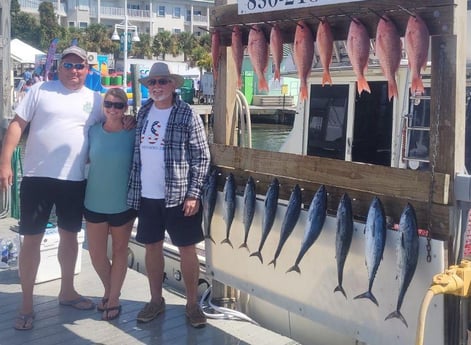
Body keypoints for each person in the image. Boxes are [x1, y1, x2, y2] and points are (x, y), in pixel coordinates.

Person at [0, 45, 102, 331]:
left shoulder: (96, 100)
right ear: (59, 67)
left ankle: (67, 291)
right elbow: (17, 126)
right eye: (68, 65)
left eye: (79, 66)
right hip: (36, 178)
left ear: (88, 70)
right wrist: (4, 163)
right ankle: (27, 303)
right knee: (30, 240)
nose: (74, 71)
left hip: (74, 180)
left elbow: (111, 129)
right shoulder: (40, 91)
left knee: (70, 237)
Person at [127, 62, 210, 328]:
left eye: (163, 81)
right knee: (151, 246)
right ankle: (155, 300)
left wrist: (193, 194)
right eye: (152, 82)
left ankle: (192, 304)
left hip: (179, 194)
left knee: (187, 249)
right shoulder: (143, 112)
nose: (157, 86)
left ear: (173, 85)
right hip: (147, 195)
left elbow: (201, 156)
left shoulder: (187, 114)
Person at [84, 88, 136, 321]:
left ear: (125, 108)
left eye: (118, 105)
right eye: (109, 104)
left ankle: (113, 298)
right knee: (95, 253)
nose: (113, 109)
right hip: (94, 199)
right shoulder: (92, 131)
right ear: (103, 106)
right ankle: (110, 288)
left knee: (119, 251)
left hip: (123, 204)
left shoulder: (132, 132)